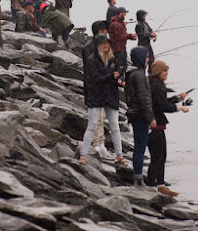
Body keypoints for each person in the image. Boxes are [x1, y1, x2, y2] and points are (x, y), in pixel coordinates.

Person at [80, 34, 127, 167]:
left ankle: (120, 156)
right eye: (103, 43)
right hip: (96, 96)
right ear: (98, 45)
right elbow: (96, 79)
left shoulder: (114, 59)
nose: (106, 45)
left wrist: (120, 79)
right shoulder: (92, 60)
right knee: (92, 125)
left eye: (108, 43)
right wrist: (112, 76)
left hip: (111, 96)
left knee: (115, 127)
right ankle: (83, 155)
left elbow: (120, 73)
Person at [147, 60, 189, 197]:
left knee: (159, 156)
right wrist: (180, 108)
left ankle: (158, 184)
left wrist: (177, 98)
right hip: (155, 126)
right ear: (159, 72)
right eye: (165, 71)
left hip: (155, 125)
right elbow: (162, 107)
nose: (167, 73)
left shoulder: (154, 83)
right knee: (158, 156)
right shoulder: (157, 86)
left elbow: (161, 102)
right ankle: (154, 186)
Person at [82, 20, 114, 159]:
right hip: (94, 88)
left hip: (103, 88)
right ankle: (96, 146)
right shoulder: (88, 48)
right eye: (101, 30)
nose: (104, 32)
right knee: (96, 119)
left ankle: (100, 145)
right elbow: (92, 72)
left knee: (102, 118)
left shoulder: (104, 47)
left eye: (105, 30)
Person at [125, 46, 156, 187]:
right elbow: (144, 99)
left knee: (139, 146)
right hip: (139, 116)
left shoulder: (131, 73)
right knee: (140, 147)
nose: (148, 59)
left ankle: (137, 176)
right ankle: (138, 179)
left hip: (134, 114)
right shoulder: (139, 76)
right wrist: (150, 119)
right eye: (146, 57)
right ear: (140, 58)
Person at [109, 7, 136, 72]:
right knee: (119, 68)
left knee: (124, 67)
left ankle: (122, 79)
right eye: (124, 13)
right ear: (120, 13)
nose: (125, 15)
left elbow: (123, 35)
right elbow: (119, 37)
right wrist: (130, 36)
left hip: (122, 48)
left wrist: (131, 37)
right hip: (117, 50)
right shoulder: (115, 24)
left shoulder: (121, 23)